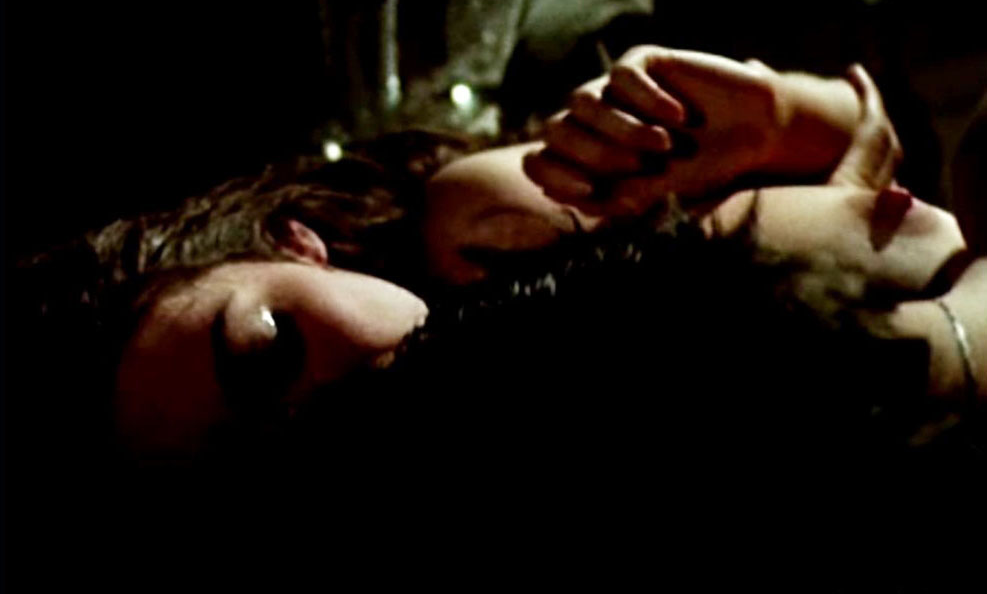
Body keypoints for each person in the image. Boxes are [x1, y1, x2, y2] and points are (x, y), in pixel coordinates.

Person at [10, 46, 984, 467]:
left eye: (270, 353)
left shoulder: (483, 227)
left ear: (298, 246)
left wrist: (780, 116)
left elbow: (880, 191)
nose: (324, 409)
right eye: (257, 463)